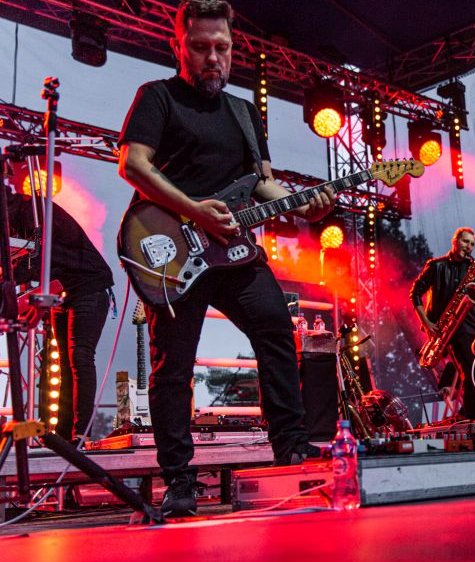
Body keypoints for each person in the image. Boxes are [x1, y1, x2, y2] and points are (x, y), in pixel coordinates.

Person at [118, 0, 335, 517]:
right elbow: (133, 163)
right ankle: (178, 479)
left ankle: (292, 448)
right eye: (202, 47)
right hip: (173, 250)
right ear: (179, 47)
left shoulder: (242, 111)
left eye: (223, 47)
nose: (214, 57)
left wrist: (302, 202)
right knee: (175, 366)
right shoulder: (158, 98)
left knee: (278, 330)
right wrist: (194, 209)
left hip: (234, 251)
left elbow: (262, 180)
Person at [6, 191, 114, 445]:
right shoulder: (19, 217)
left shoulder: (33, 210)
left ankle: (81, 433)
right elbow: (43, 267)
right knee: (64, 362)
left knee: (80, 356)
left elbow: (42, 260)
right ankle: (63, 435)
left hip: (89, 286)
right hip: (63, 291)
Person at [409, 227, 475, 420]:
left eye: (471, 244)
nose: (468, 247)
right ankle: (473, 419)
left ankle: (467, 414)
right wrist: (426, 323)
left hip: (470, 327)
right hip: (445, 328)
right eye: (465, 241)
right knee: (472, 371)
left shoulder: (474, 268)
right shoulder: (436, 265)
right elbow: (415, 293)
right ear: (455, 241)